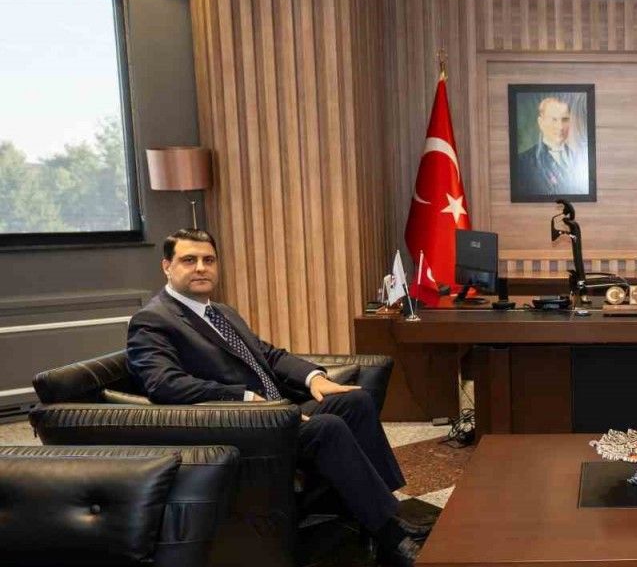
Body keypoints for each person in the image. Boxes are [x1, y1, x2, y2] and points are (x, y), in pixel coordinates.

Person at [126, 229, 426, 567]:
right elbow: (164, 385)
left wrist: (314, 378)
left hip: (276, 411)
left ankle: (384, 514)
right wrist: (246, 399)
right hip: (242, 427)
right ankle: (390, 537)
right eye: (188, 260)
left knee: (356, 401)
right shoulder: (152, 320)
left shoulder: (221, 312)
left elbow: (268, 355)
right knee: (327, 427)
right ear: (167, 266)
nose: (200, 268)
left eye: (208, 260)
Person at [514, 95, 587, 196]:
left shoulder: (579, 158)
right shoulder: (522, 162)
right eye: (554, 119)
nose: (560, 127)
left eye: (565, 119)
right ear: (541, 122)